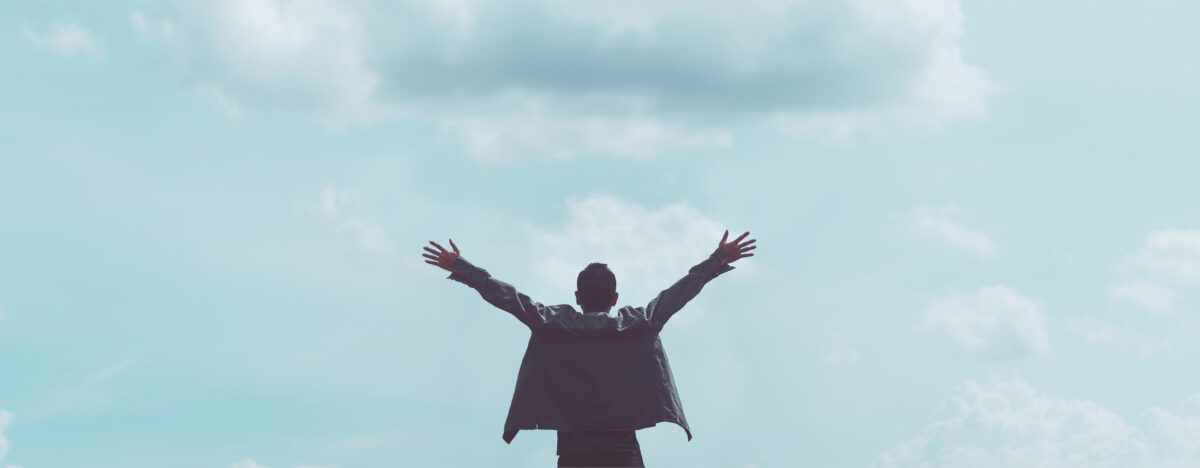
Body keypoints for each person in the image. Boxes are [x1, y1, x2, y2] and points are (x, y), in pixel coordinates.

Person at [423, 230, 756, 467]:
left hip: (573, 452)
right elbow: (681, 291)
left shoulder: (551, 322)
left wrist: (461, 267)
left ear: (577, 298)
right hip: (623, 450)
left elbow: (507, 297)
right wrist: (718, 258)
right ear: (614, 299)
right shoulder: (640, 323)